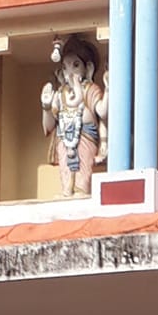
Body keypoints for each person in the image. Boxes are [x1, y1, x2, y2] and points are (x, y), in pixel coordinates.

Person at [39, 35, 107, 196]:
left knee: (83, 167)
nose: (70, 72)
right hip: (64, 138)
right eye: (65, 67)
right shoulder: (60, 93)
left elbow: (103, 112)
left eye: (75, 65)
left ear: (87, 68)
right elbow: (48, 127)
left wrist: (109, 88)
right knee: (65, 166)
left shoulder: (90, 89)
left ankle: (81, 190)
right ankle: (66, 191)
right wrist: (46, 107)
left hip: (86, 137)